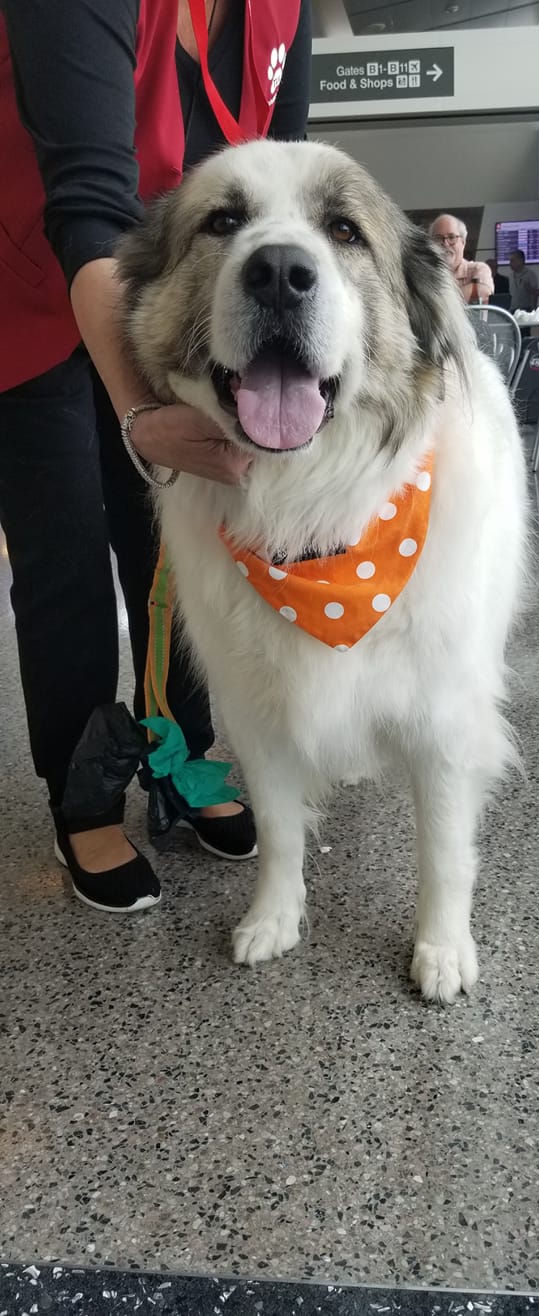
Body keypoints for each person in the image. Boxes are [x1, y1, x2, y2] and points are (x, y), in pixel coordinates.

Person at [0, 0, 311, 913]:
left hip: (173, 308)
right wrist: (136, 410)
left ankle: (182, 755)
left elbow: (289, 177)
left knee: (173, 542)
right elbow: (89, 199)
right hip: (34, 286)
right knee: (66, 556)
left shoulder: (283, 12)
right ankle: (84, 786)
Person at [429, 213, 494, 304]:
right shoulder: (425, 274)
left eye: (451, 237)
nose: (445, 243)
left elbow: (482, 293)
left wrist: (434, 300)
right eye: (438, 238)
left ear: (463, 242)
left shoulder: (478, 269)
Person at [508, 248, 539, 312]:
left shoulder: (530, 275)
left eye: (512, 260)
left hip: (526, 310)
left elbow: (534, 294)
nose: (510, 263)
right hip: (512, 310)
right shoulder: (510, 276)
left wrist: (533, 311)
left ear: (521, 260)